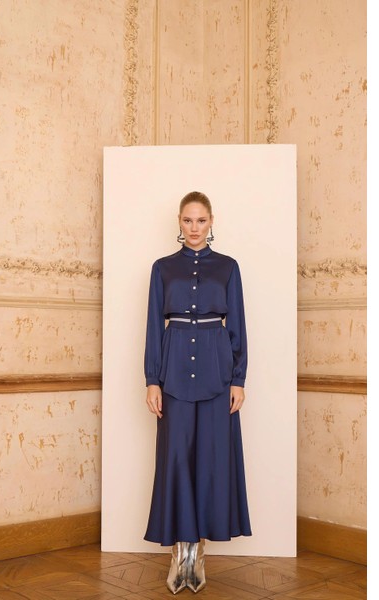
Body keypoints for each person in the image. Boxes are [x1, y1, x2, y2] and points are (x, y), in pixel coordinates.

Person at [143, 191, 252, 595]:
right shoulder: (162, 268)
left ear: (211, 222)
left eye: (201, 220)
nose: (194, 228)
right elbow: (153, 326)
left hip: (216, 372)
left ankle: (198, 552)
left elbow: (237, 324)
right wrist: (152, 379)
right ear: (179, 222)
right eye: (188, 220)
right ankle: (179, 551)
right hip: (173, 373)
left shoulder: (228, 267)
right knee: (176, 459)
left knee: (210, 460)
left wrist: (238, 378)